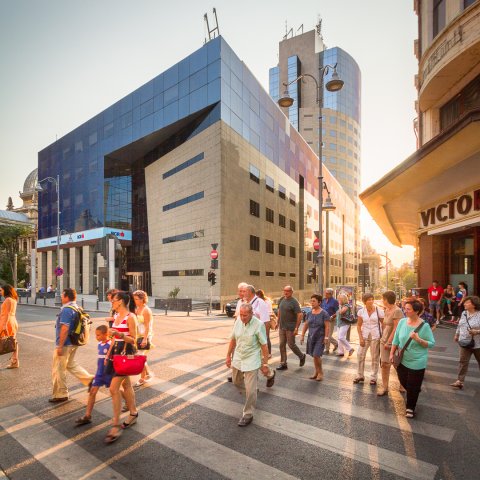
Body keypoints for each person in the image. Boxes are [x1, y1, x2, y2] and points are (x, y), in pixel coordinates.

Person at [225, 304, 275, 426]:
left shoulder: (259, 325)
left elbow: (264, 345)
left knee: (251, 390)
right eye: (241, 315)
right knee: (236, 382)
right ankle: (252, 392)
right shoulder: (238, 321)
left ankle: (248, 414)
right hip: (238, 358)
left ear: (251, 313)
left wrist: (265, 363)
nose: (242, 317)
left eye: (245, 315)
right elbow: (233, 339)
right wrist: (228, 356)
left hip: (252, 359)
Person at [390, 300, 435, 418]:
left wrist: (418, 339)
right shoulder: (402, 322)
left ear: (416, 311)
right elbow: (396, 339)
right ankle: (413, 391)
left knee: (413, 386)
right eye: (405, 308)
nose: (405, 310)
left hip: (417, 360)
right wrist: (391, 353)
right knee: (403, 381)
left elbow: (431, 343)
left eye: (408, 309)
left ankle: (410, 407)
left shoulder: (424, 326)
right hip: (402, 358)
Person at [104, 291, 139, 444]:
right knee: (126, 384)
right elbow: (113, 339)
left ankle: (116, 425)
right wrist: (108, 354)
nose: (111, 301)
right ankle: (133, 413)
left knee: (113, 389)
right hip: (116, 354)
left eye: (114, 300)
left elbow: (134, 340)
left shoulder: (131, 317)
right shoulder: (116, 317)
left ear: (121, 301)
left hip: (126, 353)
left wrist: (120, 334)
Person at [50, 288, 94, 403]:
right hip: (74, 342)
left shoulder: (67, 310)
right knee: (70, 364)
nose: (61, 297)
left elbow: (64, 328)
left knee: (59, 369)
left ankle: (61, 394)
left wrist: (60, 346)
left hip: (65, 343)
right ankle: (90, 380)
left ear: (66, 297)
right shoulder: (78, 307)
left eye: (62, 295)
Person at [75, 325, 112, 425]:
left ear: (106, 334)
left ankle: (129, 404)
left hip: (109, 373)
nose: (97, 337)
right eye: (96, 335)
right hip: (99, 373)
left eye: (99, 335)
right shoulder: (100, 344)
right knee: (92, 392)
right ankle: (87, 416)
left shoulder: (111, 344)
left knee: (117, 391)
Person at [450, 296, 480, 390]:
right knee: (463, 362)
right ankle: (460, 381)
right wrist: (457, 334)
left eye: (467, 302)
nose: (464, 304)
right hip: (464, 342)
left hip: (478, 343)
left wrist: (477, 331)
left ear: (474, 304)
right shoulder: (464, 313)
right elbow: (460, 324)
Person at [354, 293, 384, 385]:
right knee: (360, 355)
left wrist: (383, 337)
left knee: (375, 357)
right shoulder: (361, 312)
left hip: (376, 336)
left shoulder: (379, 311)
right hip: (365, 335)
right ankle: (360, 375)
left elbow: (384, 324)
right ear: (364, 301)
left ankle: (373, 377)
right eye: (368, 299)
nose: (371, 301)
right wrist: (360, 338)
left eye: (372, 299)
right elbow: (359, 325)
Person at [377, 290, 403, 396]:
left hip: (393, 341)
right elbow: (384, 325)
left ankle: (402, 384)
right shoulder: (387, 309)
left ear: (387, 299)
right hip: (384, 340)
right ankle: (385, 387)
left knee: (396, 364)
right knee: (384, 364)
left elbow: (397, 328)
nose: (382, 300)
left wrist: (389, 341)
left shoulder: (397, 311)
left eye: (383, 299)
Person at [300, 294, 329, 381]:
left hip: (320, 337)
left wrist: (326, 337)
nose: (312, 303)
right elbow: (306, 325)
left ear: (319, 302)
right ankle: (316, 372)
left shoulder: (324, 313)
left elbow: (327, 326)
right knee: (314, 356)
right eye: (311, 301)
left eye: (314, 301)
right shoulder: (309, 313)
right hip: (311, 337)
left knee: (316, 355)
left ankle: (320, 373)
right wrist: (302, 336)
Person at [276, 285, 306, 370]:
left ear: (292, 292)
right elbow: (279, 311)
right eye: (284, 290)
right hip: (282, 326)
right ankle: (283, 363)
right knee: (281, 344)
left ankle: (301, 356)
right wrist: (277, 322)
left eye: (288, 291)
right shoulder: (281, 299)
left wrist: (296, 328)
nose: (286, 292)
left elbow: (300, 314)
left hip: (290, 327)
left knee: (291, 344)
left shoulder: (294, 302)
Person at [133, 290, 154, 387]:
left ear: (142, 299)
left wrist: (145, 339)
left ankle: (142, 378)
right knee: (140, 357)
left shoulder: (146, 310)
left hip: (145, 335)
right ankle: (148, 374)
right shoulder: (137, 308)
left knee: (140, 357)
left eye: (136, 299)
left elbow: (148, 326)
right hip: (138, 335)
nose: (135, 300)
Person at [0, 285, 19, 369]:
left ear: (6, 291)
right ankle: (15, 361)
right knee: (13, 342)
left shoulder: (8, 300)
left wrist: (4, 325)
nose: (0, 292)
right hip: (13, 321)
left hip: (6, 322)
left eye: (1, 290)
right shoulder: (13, 300)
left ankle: (14, 362)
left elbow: (7, 313)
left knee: (12, 342)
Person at [256, 289, 276, 357]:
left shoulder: (262, 301)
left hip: (264, 321)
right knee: (266, 337)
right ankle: (268, 353)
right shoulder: (267, 301)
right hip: (266, 320)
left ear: (258, 295)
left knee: (264, 337)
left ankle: (267, 353)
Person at [335, 294, 355, 358]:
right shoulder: (341, 306)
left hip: (345, 323)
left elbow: (341, 312)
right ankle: (341, 352)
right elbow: (337, 313)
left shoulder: (346, 306)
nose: (338, 300)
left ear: (342, 300)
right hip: (339, 323)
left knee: (341, 337)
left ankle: (350, 349)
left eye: (339, 299)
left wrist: (339, 306)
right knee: (339, 338)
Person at [322, 288, 339, 353]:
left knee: (328, 335)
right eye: (325, 293)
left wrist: (332, 316)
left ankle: (327, 349)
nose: (325, 294)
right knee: (324, 334)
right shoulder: (323, 300)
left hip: (330, 320)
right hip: (323, 319)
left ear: (331, 294)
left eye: (327, 293)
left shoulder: (335, 301)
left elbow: (337, 311)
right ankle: (336, 343)